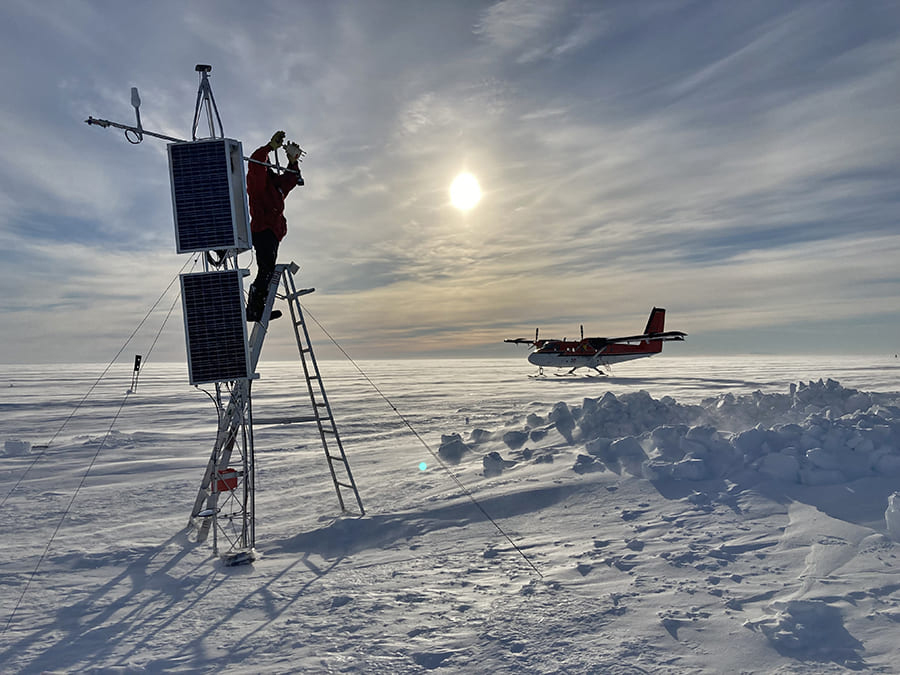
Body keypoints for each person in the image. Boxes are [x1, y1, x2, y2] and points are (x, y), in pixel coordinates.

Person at [245, 130, 304, 322]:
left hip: (272, 232)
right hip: (263, 230)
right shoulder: (258, 184)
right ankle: (254, 308)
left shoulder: (274, 184)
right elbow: (255, 163)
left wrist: (293, 161)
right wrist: (270, 147)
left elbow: (290, 180)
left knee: (267, 270)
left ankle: (258, 307)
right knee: (266, 269)